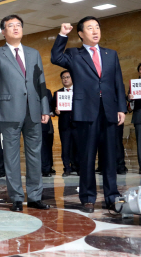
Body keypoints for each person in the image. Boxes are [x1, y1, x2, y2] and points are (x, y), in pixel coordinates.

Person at [51, 17, 126, 213]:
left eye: (97, 27)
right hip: (86, 112)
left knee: (110, 157)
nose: (95, 31)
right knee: (87, 157)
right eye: (90, 28)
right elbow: (55, 57)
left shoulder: (111, 54)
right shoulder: (74, 54)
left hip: (109, 111)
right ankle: (88, 197)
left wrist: (121, 108)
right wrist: (62, 35)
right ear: (81, 34)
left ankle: (112, 196)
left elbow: (118, 82)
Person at [0, 14, 50, 212]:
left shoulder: (33, 52)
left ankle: (36, 196)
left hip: (33, 109)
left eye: (18, 25)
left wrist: (44, 107)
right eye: (10, 26)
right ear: (3, 32)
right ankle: (17, 198)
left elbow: (41, 81)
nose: (15, 28)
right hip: (10, 110)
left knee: (35, 155)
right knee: (11, 157)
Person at [53, 70, 79, 177]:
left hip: (77, 124)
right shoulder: (57, 93)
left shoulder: (78, 91)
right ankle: (67, 168)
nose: (65, 79)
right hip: (64, 125)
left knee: (77, 146)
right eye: (63, 77)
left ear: (72, 78)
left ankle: (77, 167)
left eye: (68, 77)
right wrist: (56, 110)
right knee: (66, 147)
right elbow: (52, 108)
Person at [41, 89, 55, 177]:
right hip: (29, 123)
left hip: (43, 122)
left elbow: (50, 105)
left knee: (45, 147)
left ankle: (46, 169)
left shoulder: (46, 91)